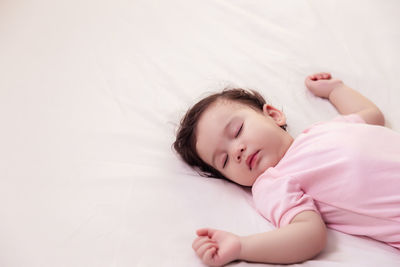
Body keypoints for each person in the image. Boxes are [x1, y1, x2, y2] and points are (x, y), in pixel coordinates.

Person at [173, 72, 400, 266]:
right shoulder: (272, 182)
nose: (236, 151)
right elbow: (310, 235)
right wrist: (241, 246)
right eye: (224, 161)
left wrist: (335, 90)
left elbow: (371, 115)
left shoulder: (319, 130)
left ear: (273, 115)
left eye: (237, 130)